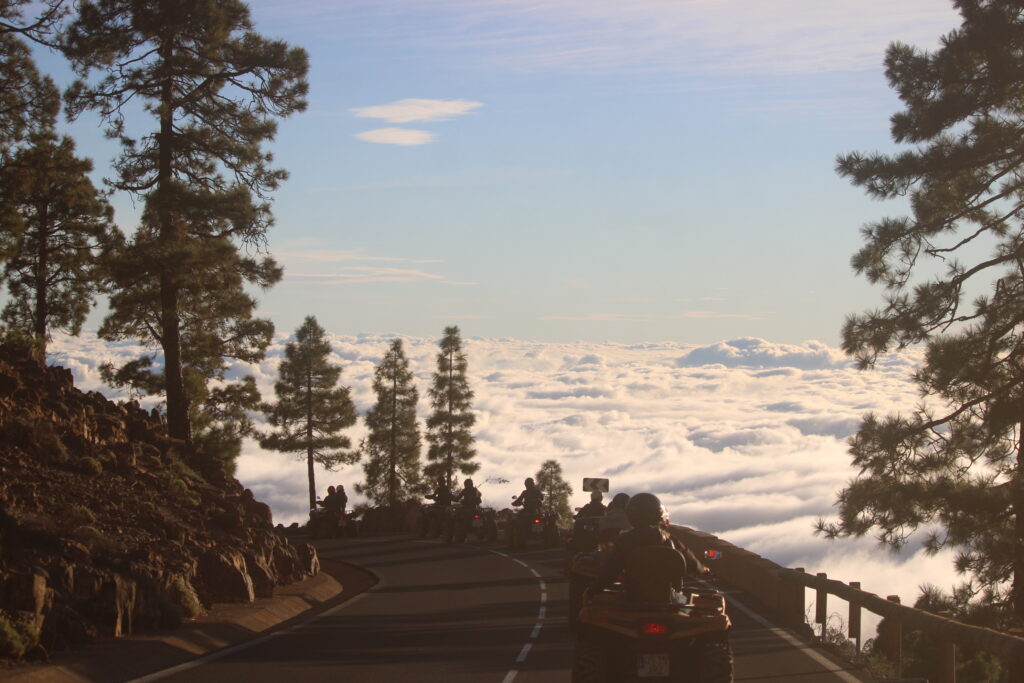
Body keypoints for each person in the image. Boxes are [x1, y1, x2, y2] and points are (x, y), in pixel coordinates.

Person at [591, 492, 704, 596]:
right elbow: (695, 567)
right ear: (658, 515)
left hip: (633, 602)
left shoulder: (624, 540)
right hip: (668, 604)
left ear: (630, 515)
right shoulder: (671, 540)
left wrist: (593, 591)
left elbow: (610, 572)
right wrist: (704, 569)